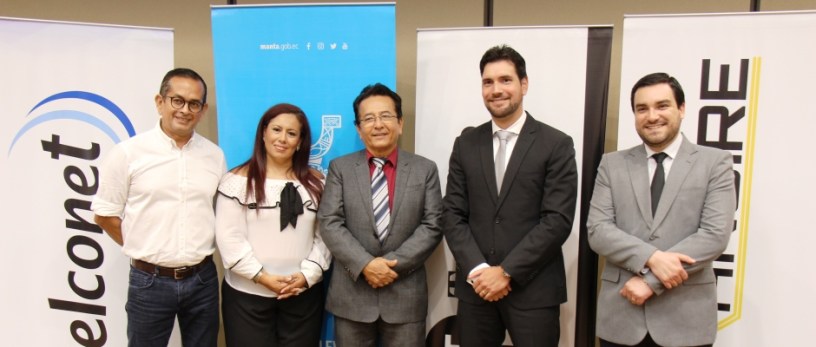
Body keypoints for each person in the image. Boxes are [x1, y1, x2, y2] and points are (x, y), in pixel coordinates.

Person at [442, 44, 578, 347]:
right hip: (477, 291)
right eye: (488, 82)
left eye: (506, 80)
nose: (496, 90)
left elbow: (557, 220)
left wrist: (506, 272)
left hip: (534, 291)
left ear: (524, 84)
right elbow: (452, 214)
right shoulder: (466, 144)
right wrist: (480, 270)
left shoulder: (556, 144)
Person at [587, 72, 736, 347]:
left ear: (682, 108)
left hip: (686, 320)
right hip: (621, 317)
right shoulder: (612, 164)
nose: (652, 116)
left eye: (662, 106)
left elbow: (714, 235)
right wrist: (652, 257)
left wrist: (651, 281)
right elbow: (598, 230)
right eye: (642, 109)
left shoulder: (715, 163)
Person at [91, 68, 226, 346]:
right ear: (160, 101)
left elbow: (220, 212)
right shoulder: (128, 153)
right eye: (177, 100)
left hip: (202, 279)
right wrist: (143, 245)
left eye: (194, 104)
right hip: (149, 281)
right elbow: (104, 215)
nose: (185, 110)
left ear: (203, 110)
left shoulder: (214, 155)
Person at [318, 83, 443, 346]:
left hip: (405, 297)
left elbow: (433, 225)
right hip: (352, 297)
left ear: (400, 123)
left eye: (386, 116)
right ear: (358, 128)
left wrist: (389, 266)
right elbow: (329, 221)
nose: (378, 125)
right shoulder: (340, 168)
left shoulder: (425, 169)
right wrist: (366, 264)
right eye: (369, 118)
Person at [215, 103, 330, 346]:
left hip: (303, 296)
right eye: (276, 130)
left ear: (300, 142)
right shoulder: (236, 181)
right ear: (264, 133)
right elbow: (229, 238)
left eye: (292, 133)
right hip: (247, 297)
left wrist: (307, 275)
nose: (282, 139)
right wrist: (261, 277)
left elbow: (326, 236)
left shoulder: (318, 183)